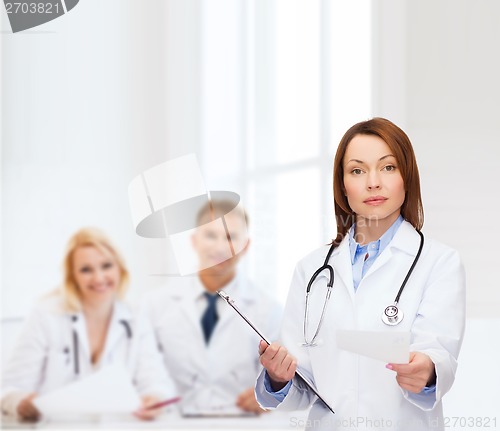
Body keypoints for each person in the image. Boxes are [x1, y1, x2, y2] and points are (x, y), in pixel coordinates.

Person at [256, 118, 466, 430]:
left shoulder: (440, 262)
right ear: (342, 184)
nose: (373, 182)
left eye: (388, 167)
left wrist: (427, 372)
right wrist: (278, 377)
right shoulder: (311, 270)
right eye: (357, 170)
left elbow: (439, 356)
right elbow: (302, 387)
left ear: (407, 177)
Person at [1, 227, 177, 421]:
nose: (99, 278)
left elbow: (156, 381)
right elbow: (10, 388)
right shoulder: (46, 316)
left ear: (120, 268)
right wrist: (21, 403)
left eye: (106, 266)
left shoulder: (136, 318)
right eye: (86, 270)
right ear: (73, 276)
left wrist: (154, 398)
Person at [143, 199, 282, 415]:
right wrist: (153, 396)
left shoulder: (268, 309)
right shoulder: (155, 305)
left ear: (245, 246)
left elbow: (281, 379)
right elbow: (146, 369)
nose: (220, 247)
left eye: (231, 237)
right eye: (210, 235)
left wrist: (270, 397)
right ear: (194, 241)